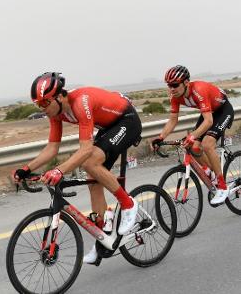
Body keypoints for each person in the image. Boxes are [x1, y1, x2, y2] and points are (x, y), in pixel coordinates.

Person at [13, 72, 141, 265]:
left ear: (59, 96)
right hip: (108, 127)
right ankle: (103, 242)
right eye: (38, 105)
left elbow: (86, 149)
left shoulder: (81, 102)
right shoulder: (56, 113)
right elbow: (52, 148)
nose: (42, 109)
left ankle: (128, 204)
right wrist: (26, 168)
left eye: (45, 103)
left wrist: (59, 171)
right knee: (93, 182)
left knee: (89, 162)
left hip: (127, 120)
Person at [150, 65, 234, 205]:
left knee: (207, 144)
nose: (171, 88)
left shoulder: (198, 90)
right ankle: (210, 171)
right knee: (194, 147)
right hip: (210, 112)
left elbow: (208, 121)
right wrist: (161, 137)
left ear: (186, 83)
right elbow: (173, 120)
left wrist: (192, 135)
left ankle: (223, 187)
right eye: (169, 85)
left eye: (175, 85)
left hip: (223, 110)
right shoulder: (175, 96)